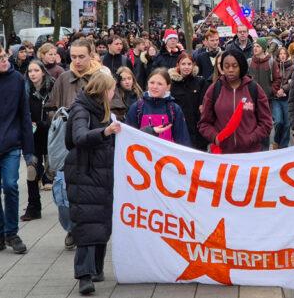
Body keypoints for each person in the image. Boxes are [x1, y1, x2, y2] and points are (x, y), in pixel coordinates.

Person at [64, 71, 121, 295]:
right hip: (84, 174)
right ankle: (84, 275)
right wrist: (105, 132)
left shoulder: (102, 110)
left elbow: (121, 135)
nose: (114, 92)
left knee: (101, 222)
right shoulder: (81, 110)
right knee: (88, 224)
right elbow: (79, 138)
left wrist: (148, 132)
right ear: (103, 90)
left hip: (100, 174)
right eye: (111, 89)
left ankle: (96, 269)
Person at [198, 49, 273, 153]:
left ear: (241, 66)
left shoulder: (254, 88)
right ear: (222, 68)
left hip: (251, 153)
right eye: (226, 66)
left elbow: (266, 123)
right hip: (223, 155)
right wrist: (216, 138)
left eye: (234, 66)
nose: (230, 69)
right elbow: (204, 123)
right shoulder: (214, 89)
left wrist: (251, 138)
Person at [0, 45, 33, 253]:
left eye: (4, 56)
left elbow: (25, 114)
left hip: (11, 143)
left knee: (11, 185)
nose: (3, 60)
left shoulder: (17, 80)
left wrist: (29, 151)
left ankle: (11, 233)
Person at [20, 60, 55, 221]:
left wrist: (47, 121)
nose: (32, 74)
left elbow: (58, 109)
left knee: (54, 172)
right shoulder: (23, 89)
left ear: (42, 71)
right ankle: (34, 206)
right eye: (30, 71)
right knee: (31, 170)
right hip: (31, 136)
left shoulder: (53, 87)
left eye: (35, 70)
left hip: (51, 135)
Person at [126, 68, 191, 147]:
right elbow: (129, 135)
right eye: (152, 83)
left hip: (167, 156)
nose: (155, 87)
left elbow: (182, 139)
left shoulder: (174, 109)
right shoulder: (137, 107)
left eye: (160, 84)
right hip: (142, 155)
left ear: (168, 87)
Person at [169, 53, 208, 150]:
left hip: (197, 128)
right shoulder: (171, 84)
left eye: (189, 64)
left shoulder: (200, 82)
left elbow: (204, 105)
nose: (186, 67)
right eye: (183, 64)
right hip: (180, 127)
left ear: (193, 65)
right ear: (178, 65)